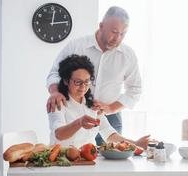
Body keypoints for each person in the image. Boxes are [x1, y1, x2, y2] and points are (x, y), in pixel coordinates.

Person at [46, 54, 149, 176]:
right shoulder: (57, 103)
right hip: (64, 169)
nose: (83, 87)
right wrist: (79, 123)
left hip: (87, 167)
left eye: (87, 82)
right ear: (66, 81)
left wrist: (136, 144)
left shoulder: (92, 106)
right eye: (78, 82)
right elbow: (59, 134)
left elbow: (109, 134)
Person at [46, 6, 141, 146]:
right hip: (70, 106)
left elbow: (135, 91)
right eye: (114, 32)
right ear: (102, 26)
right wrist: (54, 92)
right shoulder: (77, 46)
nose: (117, 38)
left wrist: (110, 108)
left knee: (110, 159)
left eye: (123, 34)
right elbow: (55, 72)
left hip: (107, 115)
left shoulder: (128, 55)